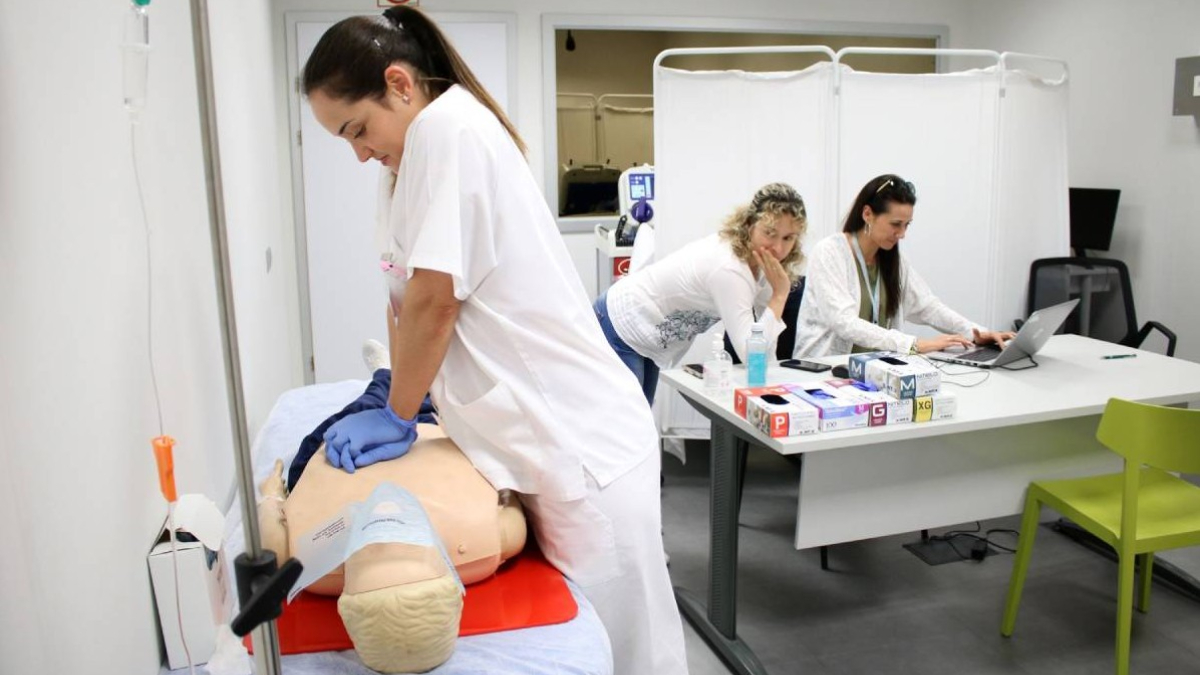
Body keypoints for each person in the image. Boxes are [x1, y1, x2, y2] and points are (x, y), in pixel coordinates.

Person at [301, 7, 688, 674]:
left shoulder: (448, 130)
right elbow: (405, 297)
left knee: (627, 648)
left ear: (399, 82)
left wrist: (399, 410)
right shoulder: (403, 165)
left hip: (581, 443)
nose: (358, 151)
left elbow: (435, 300)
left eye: (357, 129)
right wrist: (399, 389)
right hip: (530, 442)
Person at [596, 182, 807, 403]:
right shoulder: (730, 268)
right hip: (622, 322)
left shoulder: (763, 263)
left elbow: (763, 338)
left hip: (647, 336)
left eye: (788, 238)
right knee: (627, 429)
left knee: (638, 428)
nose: (778, 248)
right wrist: (780, 296)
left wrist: (773, 392)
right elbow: (750, 352)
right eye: (770, 233)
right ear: (749, 224)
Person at [793, 173, 1015, 357]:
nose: (902, 234)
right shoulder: (829, 252)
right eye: (895, 224)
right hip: (825, 374)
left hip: (874, 374)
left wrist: (975, 332)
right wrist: (914, 344)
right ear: (867, 214)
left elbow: (928, 307)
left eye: (907, 225)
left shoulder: (892, 260)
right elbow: (844, 322)